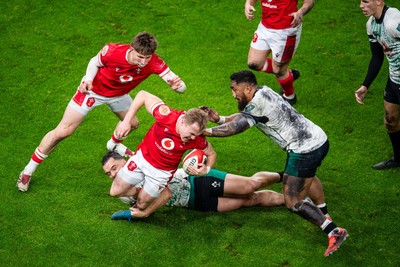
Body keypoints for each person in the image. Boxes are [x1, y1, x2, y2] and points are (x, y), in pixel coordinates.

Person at [201, 70, 348, 257]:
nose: (233, 94)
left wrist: (206, 132)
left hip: (303, 150)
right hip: (319, 139)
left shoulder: (256, 104)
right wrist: (219, 119)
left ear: (246, 87)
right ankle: (323, 212)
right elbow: (244, 115)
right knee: (308, 177)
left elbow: (237, 126)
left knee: (293, 201)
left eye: (234, 89)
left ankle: (333, 231)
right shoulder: (264, 91)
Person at [17, 32, 187, 192]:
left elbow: (181, 88)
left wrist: (177, 87)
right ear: (131, 49)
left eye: (147, 58)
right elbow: (94, 62)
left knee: (133, 124)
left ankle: (113, 144)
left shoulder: (155, 62)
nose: (143, 62)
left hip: (119, 95)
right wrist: (87, 80)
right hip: (93, 92)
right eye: (140, 57)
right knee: (63, 132)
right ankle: (28, 171)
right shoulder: (113, 52)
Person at [104, 90, 217, 215]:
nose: (193, 138)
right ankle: (147, 190)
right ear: (183, 122)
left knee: (141, 205)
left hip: (161, 173)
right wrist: (126, 121)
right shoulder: (166, 115)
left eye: (196, 135)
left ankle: (153, 196)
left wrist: (206, 169)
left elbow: (211, 153)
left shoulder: (197, 139)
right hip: (142, 158)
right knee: (115, 191)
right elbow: (143, 95)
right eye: (191, 133)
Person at [102, 151, 284, 220]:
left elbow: (165, 194)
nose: (112, 174)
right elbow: (143, 207)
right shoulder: (123, 194)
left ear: (124, 161)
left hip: (196, 181)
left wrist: (146, 212)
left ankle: (286, 176)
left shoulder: (144, 165)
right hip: (195, 203)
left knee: (250, 186)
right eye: (108, 173)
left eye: (114, 168)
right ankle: (291, 200)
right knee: (249, 200)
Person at [355, 0, 400, 170]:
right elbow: (377, 57)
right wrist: (365, 85)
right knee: (390, 120)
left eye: (366, 1)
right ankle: (398, 159)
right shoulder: (371, 25)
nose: (361, 5)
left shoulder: (394, 22)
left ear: (379, 1)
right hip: (394, 78)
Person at [244, 0, 314, 105]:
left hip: (286, 32)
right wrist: (248, 4)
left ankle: (290, 96)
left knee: (278, 70)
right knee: (254, 63)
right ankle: (288, 75)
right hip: (264, 28)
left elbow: (309, 1)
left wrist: (300, 12)